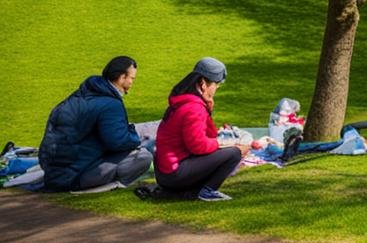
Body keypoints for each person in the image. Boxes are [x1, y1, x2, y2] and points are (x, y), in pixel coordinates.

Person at [38, 56, 152, 192]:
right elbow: (118, 142)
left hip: (53, 172)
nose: (132, 82)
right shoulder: (110, 104)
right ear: (122, 78)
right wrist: (133, 134)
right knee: (144, 156)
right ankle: (115, 185)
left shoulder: (82, 95)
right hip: (71, 178)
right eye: (131, 78)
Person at [153, 58, 247, 201]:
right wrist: (227, 144)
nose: (216, 89)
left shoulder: (185, 101)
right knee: (235, 153)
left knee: (227, 150)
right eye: (216, 84)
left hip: (165, 172)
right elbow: (198, 146)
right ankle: (206, 191)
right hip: (174, 174)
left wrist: (208, 109)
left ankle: (195, 190)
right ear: (203, 84)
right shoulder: (194, 108)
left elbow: (210, 135)